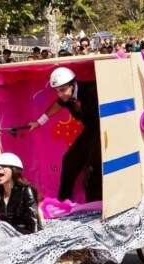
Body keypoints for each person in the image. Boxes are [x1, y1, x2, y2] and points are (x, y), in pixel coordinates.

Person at [29, 67, 102, 202]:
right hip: (90, 130)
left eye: (62, 90)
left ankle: (95, 205)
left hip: (103, 129)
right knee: (69, 161)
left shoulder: (93, 90)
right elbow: (57, 104)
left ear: (73, 85)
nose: (60, 94)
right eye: (57, 91)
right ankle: (63, 201)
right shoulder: (66, 96)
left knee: (93, 167)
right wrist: (39, 122)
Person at [0, 153, 41, 235]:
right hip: (6, 238)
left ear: (14, 170)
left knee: (0, 226)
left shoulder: (26, 191)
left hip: (26, 236)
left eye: (3, 165)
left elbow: (35, 224)